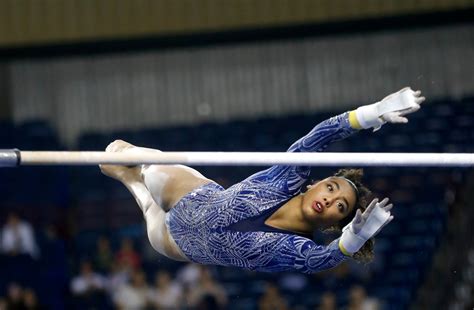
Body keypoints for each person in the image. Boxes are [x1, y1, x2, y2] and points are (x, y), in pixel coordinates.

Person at [100, 87, 425, 273]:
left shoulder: (295, 248)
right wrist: (370, 114)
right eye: (330, 187)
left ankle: (129, 178)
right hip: (189, 195)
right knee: (137, 163)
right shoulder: (288, 176)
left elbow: (321, 260)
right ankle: (136, 163)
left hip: (178, 245)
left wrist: (351, 242)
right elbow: (319, 136)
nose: (329, 199)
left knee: (134, 190)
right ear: (316, 183)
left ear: (333, 224)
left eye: (340, 207)